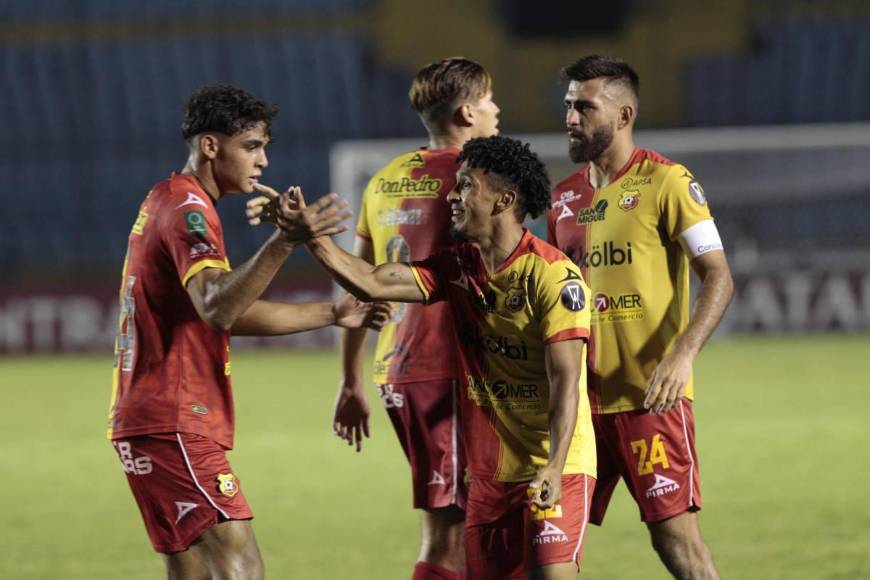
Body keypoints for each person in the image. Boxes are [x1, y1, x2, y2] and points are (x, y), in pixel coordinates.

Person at [250, 135, 597, 579]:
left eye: (466, 186)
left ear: (504, 200)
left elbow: (567, 382)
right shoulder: (457, 266)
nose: (452, 196)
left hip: (557, 463)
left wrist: (553, 465)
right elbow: (373, 282)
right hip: (490, 471)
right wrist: (308, 237)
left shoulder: (551, 277)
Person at [106, 85, 388, 580]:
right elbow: (218, 306)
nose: (264, 161)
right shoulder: (187, 209)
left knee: (194, 572)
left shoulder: (169, 198)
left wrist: (334, 313)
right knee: (243, 568)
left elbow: (227, 311)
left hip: (152, 420)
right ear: (211, 146)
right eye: (252, 146)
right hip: (174, 419)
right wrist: (284, 242)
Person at [547, 55, 733, 580]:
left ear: (623, 115)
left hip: (648, 397)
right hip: (576, 406)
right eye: (567, 107)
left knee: (675, 542)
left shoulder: (668, 182)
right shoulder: (562, 199)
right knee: (547, 540)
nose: (571, 118)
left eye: (584, 107)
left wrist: (683, 354)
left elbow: (718, 275)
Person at [331, 56, 499, 580]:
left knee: (473, 523)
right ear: (468, 112)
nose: (498, 110)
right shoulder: (475, 180)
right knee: (450, 532)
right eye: (490, 100)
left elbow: (357, 281)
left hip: (398, 368)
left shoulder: (384, 180)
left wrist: (350, 380)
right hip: (450, 367)